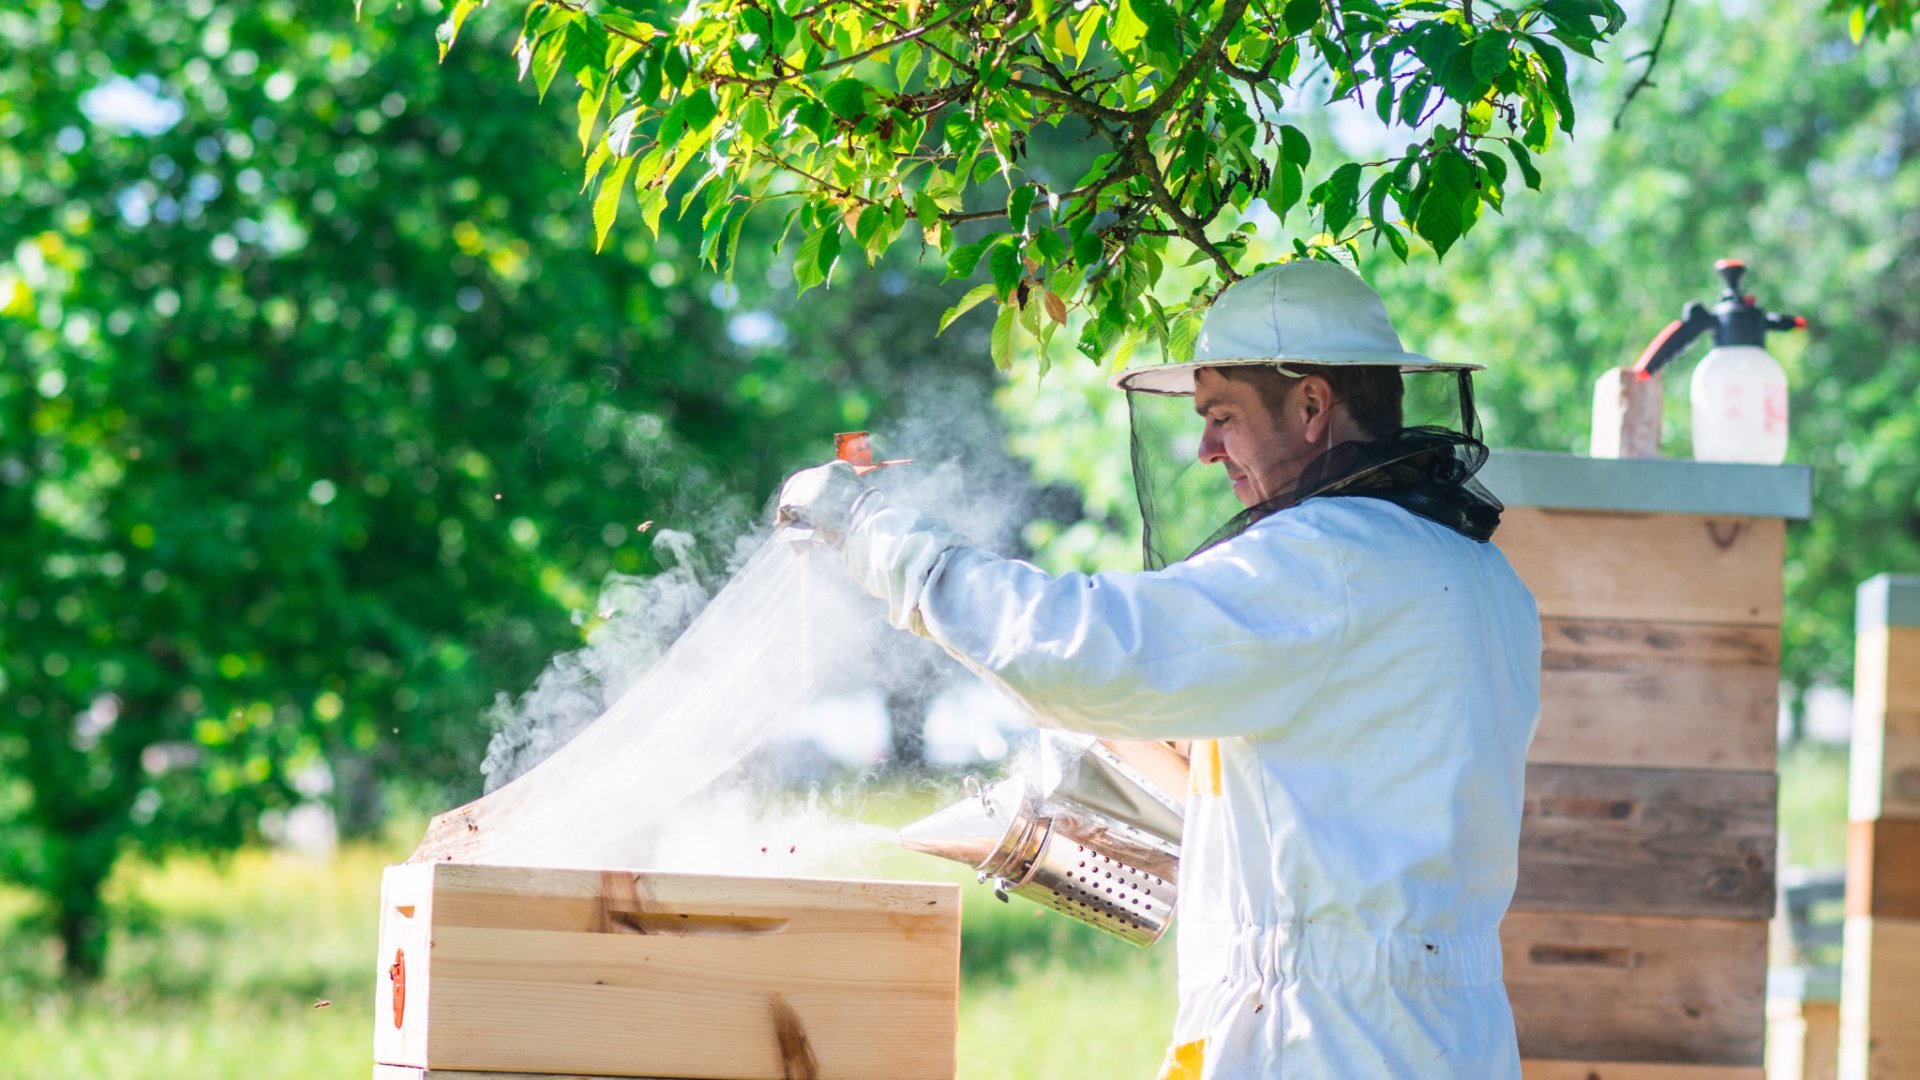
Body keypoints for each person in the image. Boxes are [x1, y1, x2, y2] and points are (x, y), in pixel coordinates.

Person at [776, 261, 1541, 1078]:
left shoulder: (1327, 562)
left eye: (1223, 415)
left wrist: (880, 537)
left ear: (1313, 406)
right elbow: (1337, 783)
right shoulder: (1475, 575)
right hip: (1445, 1037)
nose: (1208, 450)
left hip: (1327, 1044)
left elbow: (1084, 652)